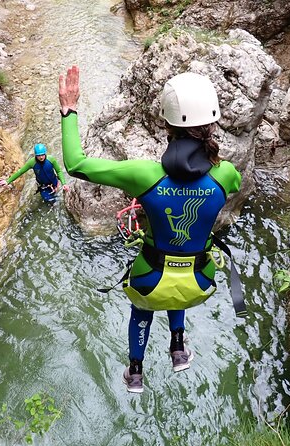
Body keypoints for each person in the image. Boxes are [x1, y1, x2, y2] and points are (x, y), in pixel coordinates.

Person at [59, 65, 241, 393]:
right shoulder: (225, 173)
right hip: (200, 282)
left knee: (146, 301)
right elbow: (229, 180)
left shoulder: (144, 174)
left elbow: (75, 164)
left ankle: (135, 373)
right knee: (180, 283)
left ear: (166, 122)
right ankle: (178, 349)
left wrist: (69, 108)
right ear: (212, 123)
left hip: (150, 280)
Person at [0, 143, 68, 202]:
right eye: (39, 155)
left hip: (54, 181)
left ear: (45, 153)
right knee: (49, 200)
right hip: (43, 186)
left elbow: (59, 171)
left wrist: (64, 183)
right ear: (35, 155)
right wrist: (8, 181)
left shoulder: (51, 160)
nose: (41, 157)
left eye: (42, 155)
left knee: (59, 196)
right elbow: (20, 172)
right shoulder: (32, 163)